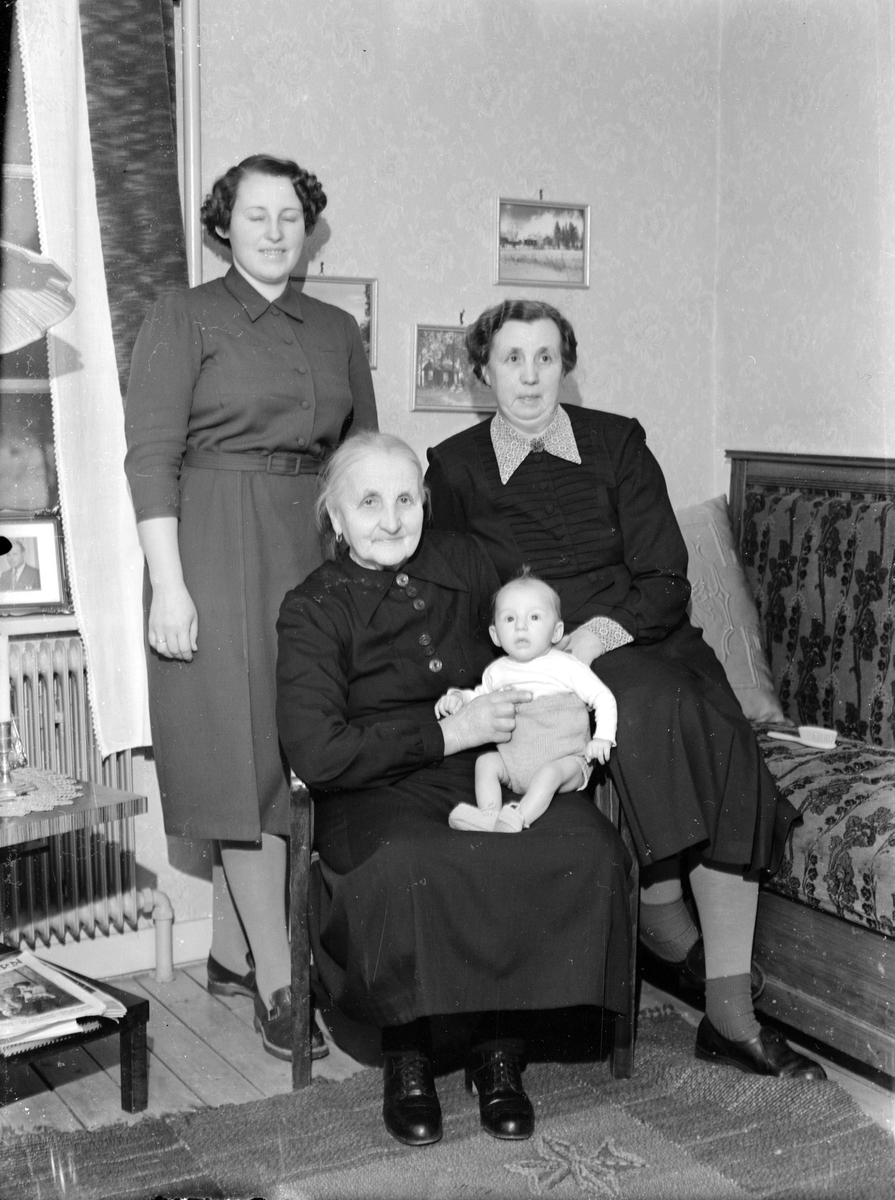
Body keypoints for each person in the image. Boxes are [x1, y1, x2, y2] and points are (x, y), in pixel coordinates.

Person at [425, 298, 828, 1082]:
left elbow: (665, 578)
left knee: (700, 715)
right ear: (481, 373)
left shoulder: (616, 441)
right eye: (511, 359)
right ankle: (679, 943)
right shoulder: (454, 465)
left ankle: (723, 1007)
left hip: (637, 635)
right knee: (652, 708)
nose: (530, 376)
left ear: (565, 365)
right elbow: (456, 598)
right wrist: (514, 667)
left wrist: (591, 639)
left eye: (546, 357)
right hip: (534, 661)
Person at [276, 431, 631, 1147]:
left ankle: (498, 1048)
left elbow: (535, 624)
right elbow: (317, 751)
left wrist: (572, 687)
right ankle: (408, 1054)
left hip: (490, 764)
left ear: (425, 504)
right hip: (371, 788)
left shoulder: (465, 562)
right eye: (368, 502)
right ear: (335, 517)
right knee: (409, 862)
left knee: (581, 843)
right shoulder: (312, 606)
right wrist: (448, 733)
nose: (391, 519)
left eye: (406, 500)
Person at [124, 153, 378, 1063]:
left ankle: (232, 954)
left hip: (311, 543)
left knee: (298, 748)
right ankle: (279, 980)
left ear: (308, 229)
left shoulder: (336, 328)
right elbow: (151, 456)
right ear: (222, 225)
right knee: (242, 760)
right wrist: (169, 584)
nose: (274, 232)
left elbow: (361, 458)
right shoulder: (182, 314)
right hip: (213, 545)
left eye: (290, 217)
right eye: (255, 215)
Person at [436, 569, 616, 834]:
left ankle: (517, 819)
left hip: (566, 762)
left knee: (548, 774)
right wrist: (458, 698)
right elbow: (479, 698)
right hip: (515, 764)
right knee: (486, 763)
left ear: (556, 631)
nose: (521, 626)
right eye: (510, 618)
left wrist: (603, 737)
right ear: (495, 635)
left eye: (534, 617)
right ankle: (489, 814)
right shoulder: (497, 672)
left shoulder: (567, 666)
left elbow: (603, 697)